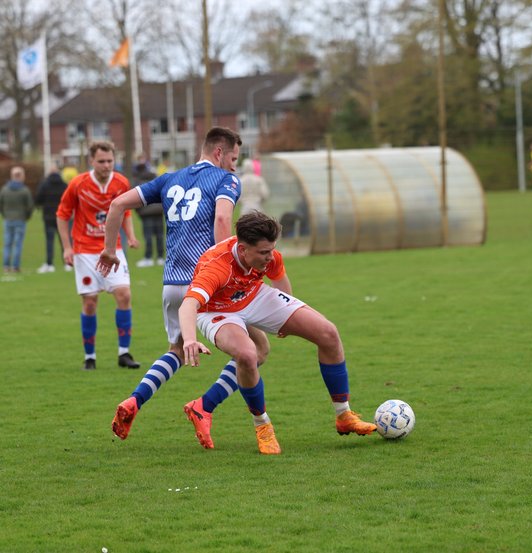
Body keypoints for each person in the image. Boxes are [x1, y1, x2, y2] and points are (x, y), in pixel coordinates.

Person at [97, 127, 269, 441]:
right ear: (219, 153)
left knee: (176, 349)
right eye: (233, 158)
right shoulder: (225, 180)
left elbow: (117, 205)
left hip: (173, 283)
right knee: (257, 349)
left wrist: (110, 249)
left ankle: (134, 401)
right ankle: (205, 406)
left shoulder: (168, 178)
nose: (234, 165)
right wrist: (230, 267)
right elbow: (221, 220)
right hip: (207, 283)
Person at [179, 211, 377, 455]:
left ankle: (344, 414)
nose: (270, 257)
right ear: (242, 250)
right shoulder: (217, 267)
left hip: (252, 295)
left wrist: (287, 315)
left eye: (271, 249)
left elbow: (280, 281)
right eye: (263, 253)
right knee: (248, 355)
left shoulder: (267, 254)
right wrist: (190, 339)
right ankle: (262, 425)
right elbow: (189, 304)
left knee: (328, 333)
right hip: (216, 311)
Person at [56, 141, 141, 371]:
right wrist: (67, 247)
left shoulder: (121, 182)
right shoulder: (78, 184)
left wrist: (131, 236)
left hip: (113, 250)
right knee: (90, 302)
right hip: (84, 251)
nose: (106, 165)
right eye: (101, 161)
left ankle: (124, 353)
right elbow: (62, 215)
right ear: (91, 161)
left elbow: (126, 211)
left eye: (110, 161)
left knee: (124, 295)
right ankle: (90, 357)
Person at [34, 165, 68, 273]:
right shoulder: (64, 185)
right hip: (61, 216)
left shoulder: (44, 185)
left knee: (49, 241)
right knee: (63, 240)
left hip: (48, 216)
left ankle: (49, 264)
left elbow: (38, 199)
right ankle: (67, 263)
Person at [0, 166, 34, 273]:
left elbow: (1, 204)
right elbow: (29, 206)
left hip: (8, 219)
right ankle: (15, 266)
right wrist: (26, 216)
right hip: (20, 219)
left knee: (7, 243)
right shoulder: (24, 190)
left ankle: (6, 266)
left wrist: (5, 214)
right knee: (17, 243)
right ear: (21, 176)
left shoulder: (5, 189)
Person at [130, 161, 164, 267]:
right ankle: (160, 257)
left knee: (148, 236)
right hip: (159, 210)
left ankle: (148, 258)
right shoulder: (156, 178)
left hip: (146, 213)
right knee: (160, 235)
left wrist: (139, 212)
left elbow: (135, 199)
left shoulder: (137, 181)